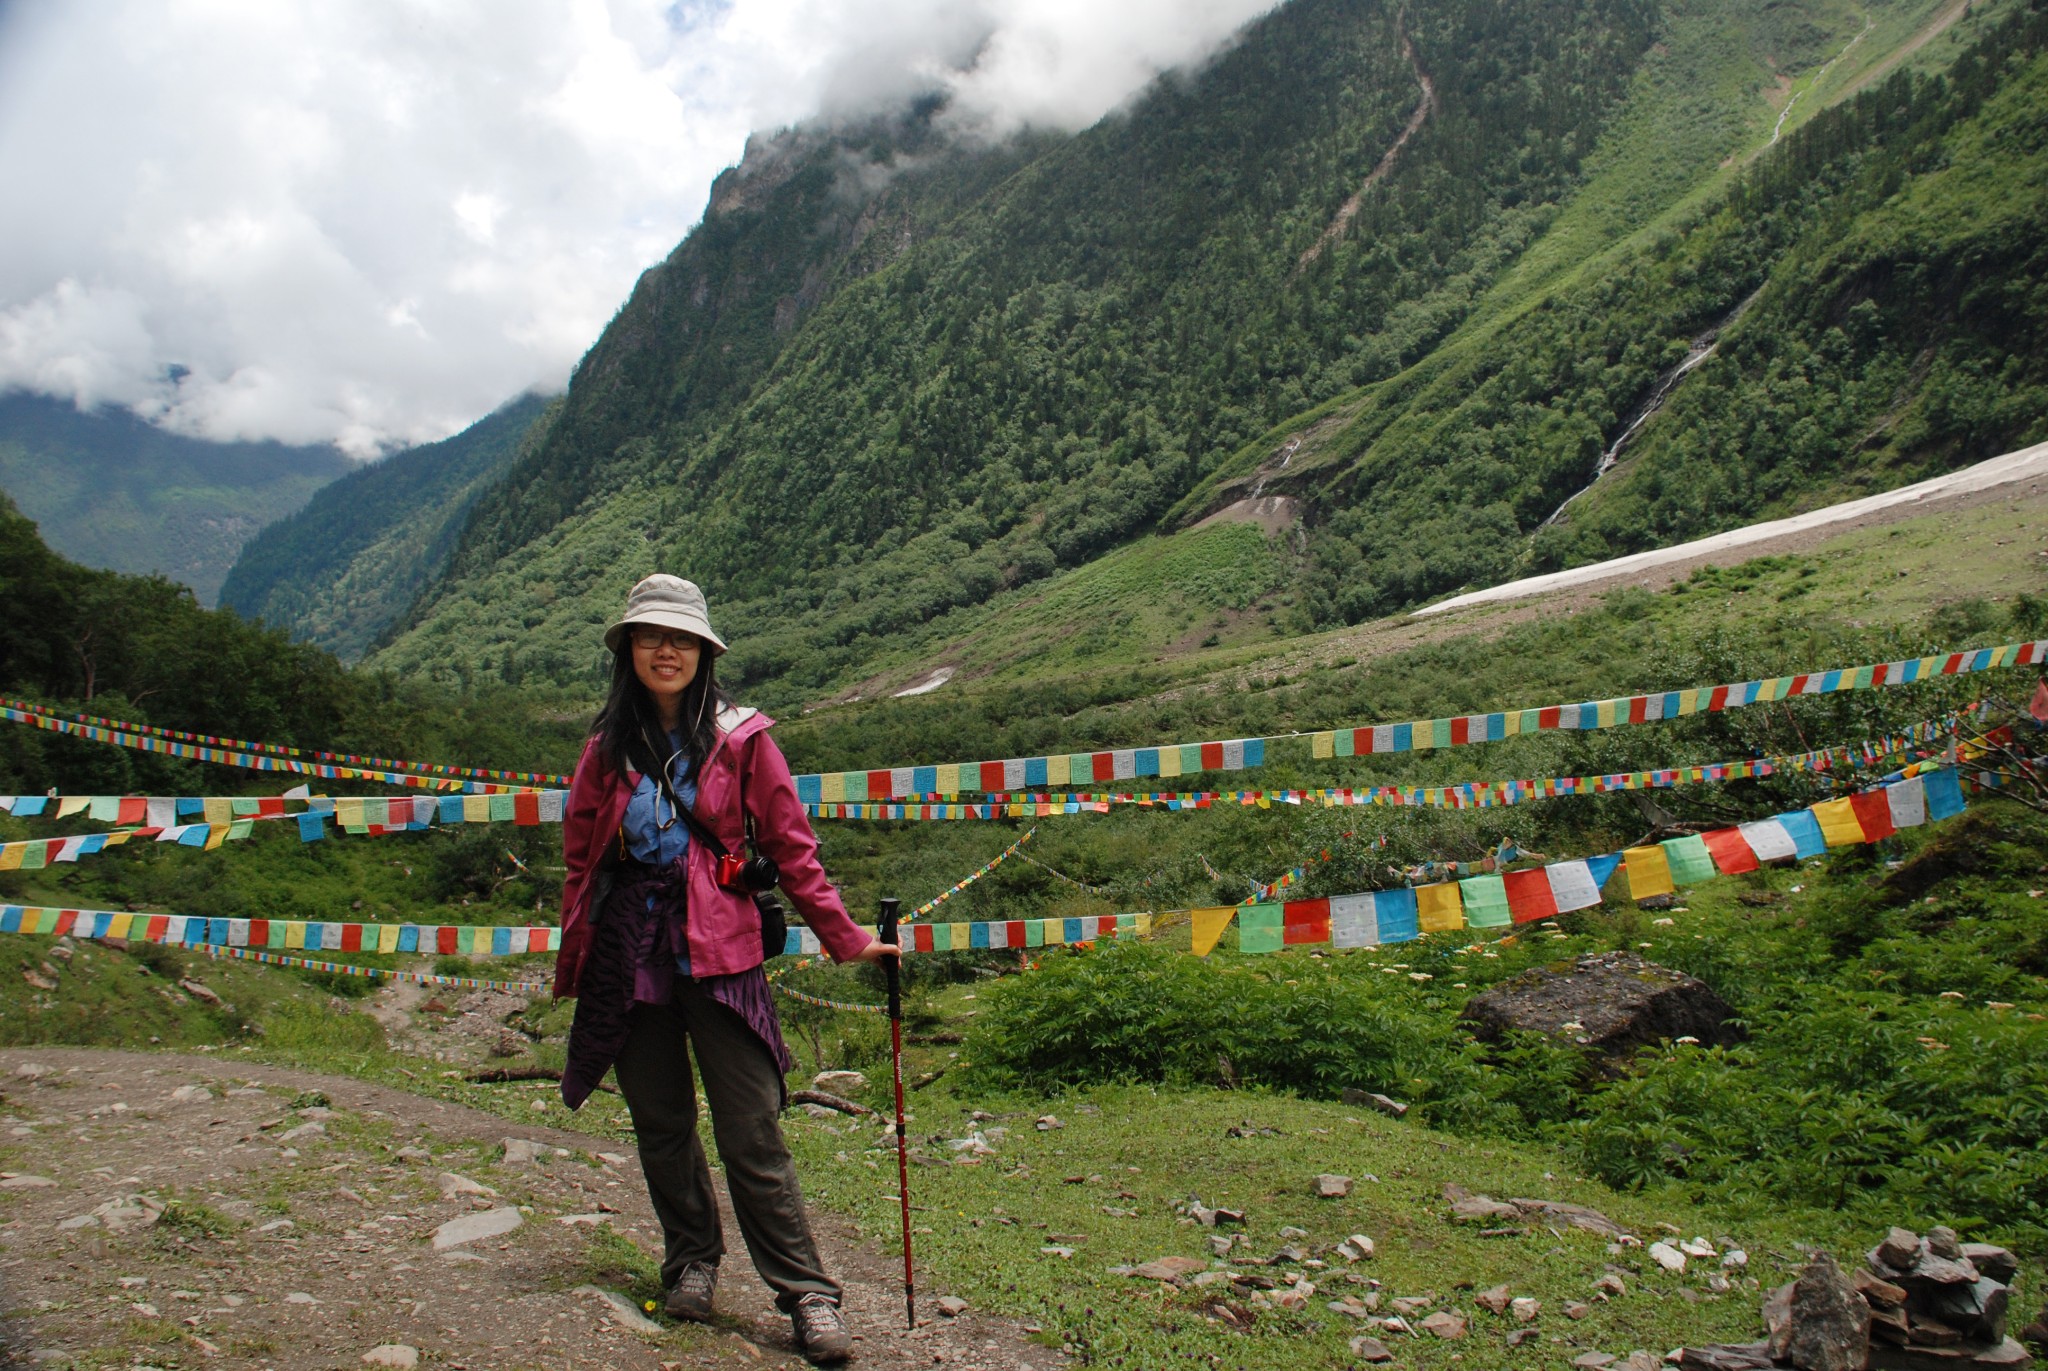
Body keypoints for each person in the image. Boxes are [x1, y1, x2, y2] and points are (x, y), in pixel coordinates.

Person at [553, 573, 895, 1366]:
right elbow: (582, 861)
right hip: (630, 955)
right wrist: (577, 957)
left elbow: (791, 846)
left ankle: (808, 1293)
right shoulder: (605, 749)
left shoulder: (744, 739)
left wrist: (845, 937)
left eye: (681, 639)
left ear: (705, 652)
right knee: (662, 1121)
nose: (665, 650)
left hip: (721, 950)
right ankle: (691, 1262)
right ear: (629, 650)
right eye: (650, 637)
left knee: (751, 1127)